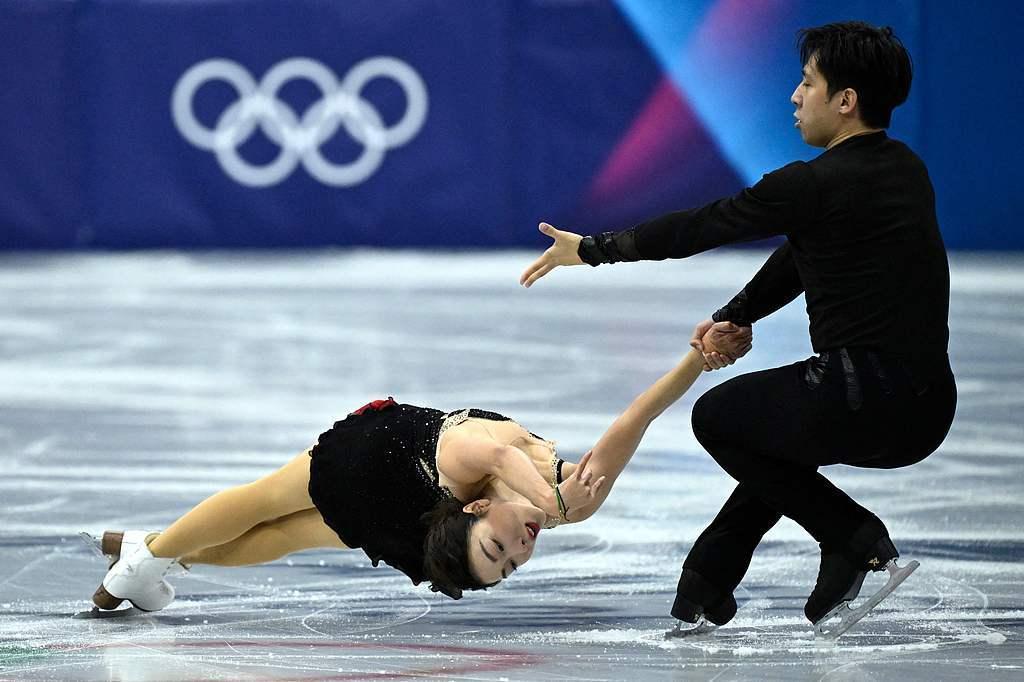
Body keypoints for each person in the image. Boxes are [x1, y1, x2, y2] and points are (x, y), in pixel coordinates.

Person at [519, 21, 955, 636]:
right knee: (776, 440)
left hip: (861, 397)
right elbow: (805, 253)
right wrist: (736, 316)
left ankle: (852, 537)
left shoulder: (812, 183)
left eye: (808, 83)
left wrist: (593, 249)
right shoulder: (906, 170)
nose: (795, 96)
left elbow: (700, 227)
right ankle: (708, 580)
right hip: (927, 407)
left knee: (721, 418)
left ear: (845, 100)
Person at [90, 344, 734, 612]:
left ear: (475, 513)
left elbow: (505, 461)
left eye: (499, 554)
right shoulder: (565, 499)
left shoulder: (525, 485)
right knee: (274, 519)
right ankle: (148, 553)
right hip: (388, 465)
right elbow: (636, 418)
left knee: (275, 519)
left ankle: (147, 555)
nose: (520, 548)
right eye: (511, 560)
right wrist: (697, 360)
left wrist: (551, 498)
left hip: (391, 482)